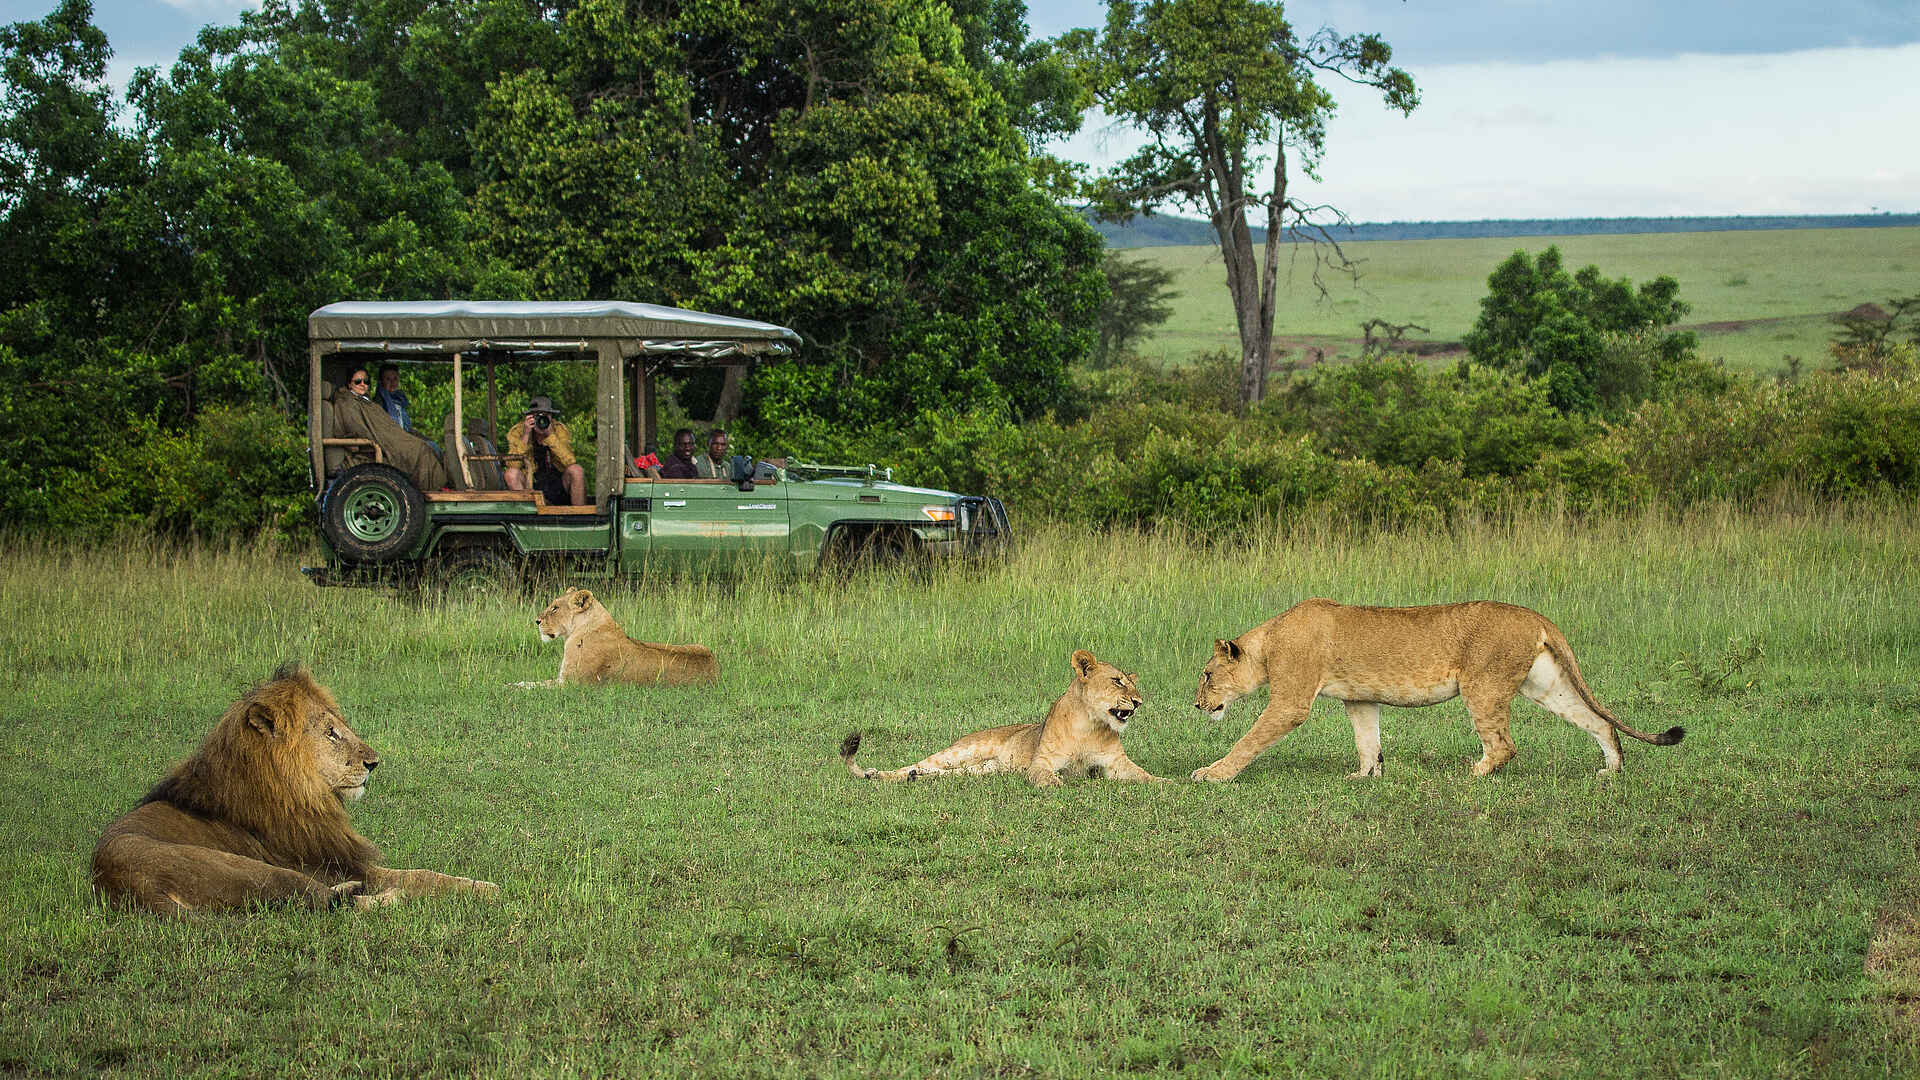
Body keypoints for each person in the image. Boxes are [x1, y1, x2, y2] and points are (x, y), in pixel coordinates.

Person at [331, 367, 450, 491]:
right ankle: (429, 490)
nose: (362, 384)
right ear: (350, 383)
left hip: (391, 438)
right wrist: (382, 443)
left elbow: (389, 425)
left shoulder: (366, 401)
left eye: (366, 381)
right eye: (358, 381)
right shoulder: (346, 402)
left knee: (425, 446)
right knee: (421, 451)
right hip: (378, 443)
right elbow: (356, 428)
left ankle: (435, 486)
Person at [504, 395, 586, 505]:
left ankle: (580, 517)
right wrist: (526, 435)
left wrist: (550, 436)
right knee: (511, 474)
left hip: (558, 484)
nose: (541, 420)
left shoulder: (559, 430)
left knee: (577, 470)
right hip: (532, 485)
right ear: (530, 417)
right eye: (537, 416)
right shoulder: (518, 431)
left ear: (551, 417)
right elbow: (513, 464)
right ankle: (528, 516)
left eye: (545, 415)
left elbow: (570, 461)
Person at [373, 363, 414, 432]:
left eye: (395, 378)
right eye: (388, 379)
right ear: (381, 381)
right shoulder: (379, 401)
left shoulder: (401, 399)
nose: (392, 382)